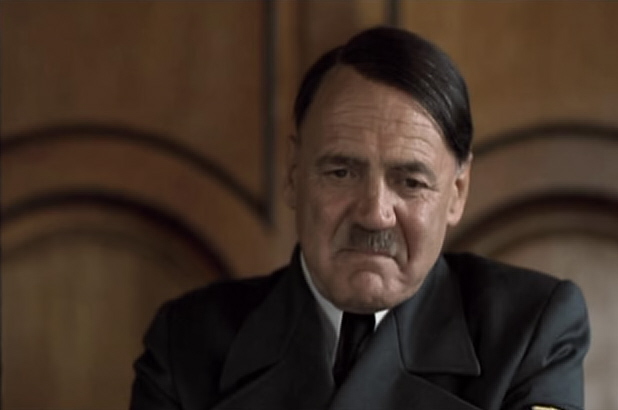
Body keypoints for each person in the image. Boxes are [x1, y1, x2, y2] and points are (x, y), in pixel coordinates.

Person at [130, 26, 589, 410]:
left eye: (410, 182)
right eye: (341, 172)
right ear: (293, 174)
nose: (374, 215)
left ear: (457, 193)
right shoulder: (185, 345)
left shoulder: (530, 334)